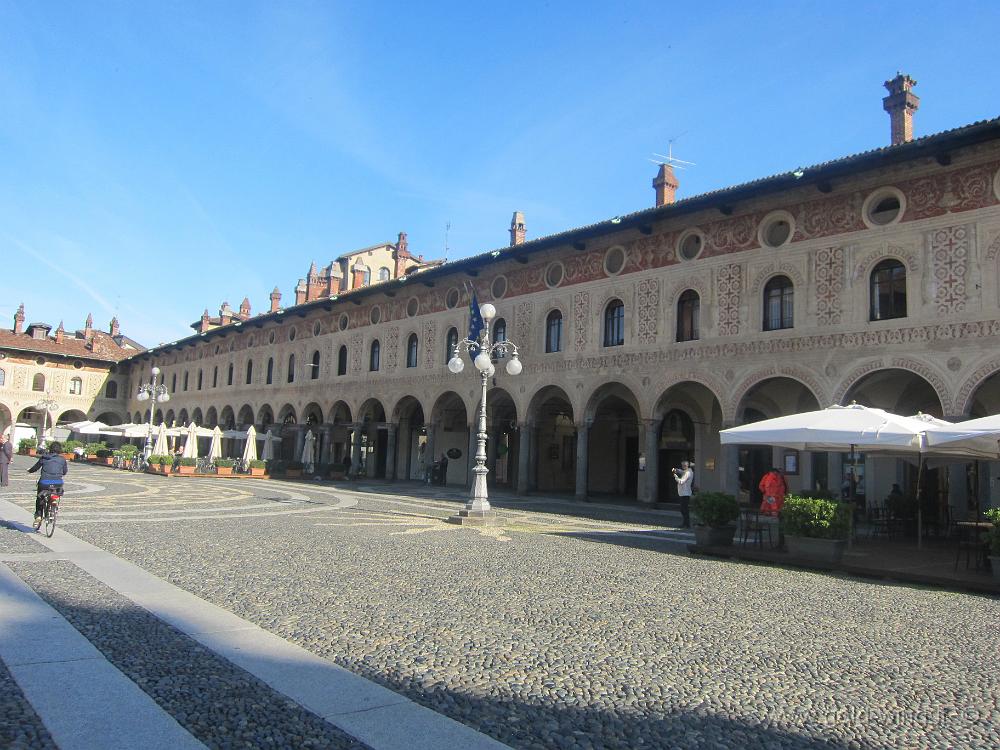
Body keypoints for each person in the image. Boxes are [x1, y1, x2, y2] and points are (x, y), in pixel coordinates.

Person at [27, 441, 68, 525]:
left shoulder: (44, 458)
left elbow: (35, 467)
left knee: (40, 498)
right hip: (57, 483)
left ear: (50, 449)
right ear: (60, 449)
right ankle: (54, 500)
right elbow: (64, 472)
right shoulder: (62, 459)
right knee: (56, 491)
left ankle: (38, 516)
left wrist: (29, 471)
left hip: (44, 482)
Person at [672, 460, 694, 528]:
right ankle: (686, 523)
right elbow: (681, 471)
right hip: (684, 492)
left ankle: (686, 524)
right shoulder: (687, 471)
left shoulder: (687, 473)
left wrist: (675, 476)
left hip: (685, 493)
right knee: (684, 509)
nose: (682, 466)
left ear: (687, 465)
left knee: (684, 509)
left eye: (684, 465)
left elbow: (681, 481)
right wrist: (676, 470)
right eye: (682, 465)